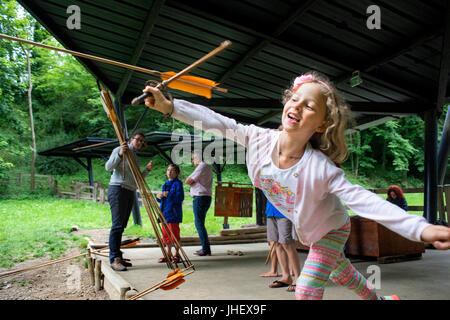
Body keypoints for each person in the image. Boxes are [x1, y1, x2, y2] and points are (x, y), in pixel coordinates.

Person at [143, 71, 450, 300]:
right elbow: (219, 122)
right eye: (294, 99)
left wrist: (420, 229)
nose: (297, 107)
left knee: (305, 290)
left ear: (320, 125)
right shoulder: (258, 139)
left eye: (309, 106)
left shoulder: (321, 169)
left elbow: (364, 201)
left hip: (332, 229)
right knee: (343, 273)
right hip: (310, 230)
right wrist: (171, 107)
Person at [105, 132, 153, 271]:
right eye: (138, 140)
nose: (139, 143)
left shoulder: (135, 157)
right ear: (131, 139)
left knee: (122, 225)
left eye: (142, 141)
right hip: (118, 189)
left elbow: (137, 179)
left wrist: (147, 171)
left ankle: (118, 256)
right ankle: (114, 259)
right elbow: (108, 167)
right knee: (117, 225)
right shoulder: (120, 149)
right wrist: (120, 154)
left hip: (129, 191)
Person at [265, 200, 301, 292]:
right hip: (271, 210)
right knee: (276, 243)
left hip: (284, 210)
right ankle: (286, 276)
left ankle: (298, 278)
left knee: (286, 243)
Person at [185, 151, 213, 256]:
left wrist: (192, 182)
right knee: (200, 223)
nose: (193, 161)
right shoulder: (207, 167)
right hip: (205, 197)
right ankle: (205, 248)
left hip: (200, 197)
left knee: (199, 223)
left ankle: (205, 249)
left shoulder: (201, 166)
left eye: (193, 158)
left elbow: (188, 181)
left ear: (198, 157)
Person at [155, 163, 184, 263]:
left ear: (177, 173)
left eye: (172, 170)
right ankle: (168, 254)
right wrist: (159, 197)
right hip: (165, 213)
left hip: (173, 213)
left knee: (174, 235)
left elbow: (180, 198)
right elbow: (164, 200)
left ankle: (177, 254)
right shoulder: (165, 184)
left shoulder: (178, 184)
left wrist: (169, 194)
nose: (169, 172)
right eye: (168, 170)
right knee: (165, 235)